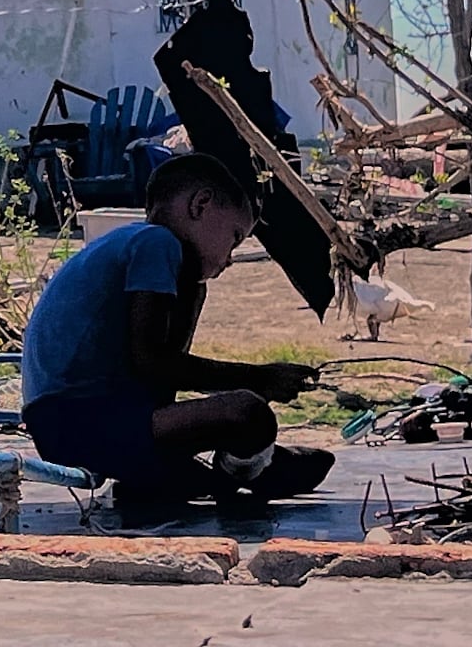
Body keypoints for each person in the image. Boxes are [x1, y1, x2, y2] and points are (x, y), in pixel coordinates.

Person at [19, 152, 335, 525]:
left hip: (67, 425)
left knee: (193, 478)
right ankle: (254, 465)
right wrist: (259, 378)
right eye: (234, 238)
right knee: (249, 414)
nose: (230, 258)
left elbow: (153, 370)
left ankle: (223, 470)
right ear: (200, 205)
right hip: (80, 423)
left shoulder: (135, 246)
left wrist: (193, 292)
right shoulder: (156, 244)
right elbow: (153, 363)